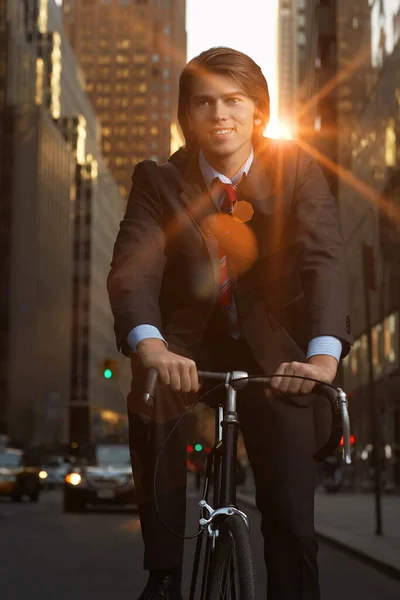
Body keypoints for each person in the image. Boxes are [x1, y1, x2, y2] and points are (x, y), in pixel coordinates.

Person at [107, 47, 353, 600]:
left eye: (233, 100)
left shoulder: (296, 171)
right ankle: (164, 576)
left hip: (278, 360)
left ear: (258, 113)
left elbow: (325, 261)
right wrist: (150, 347)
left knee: (292, 524)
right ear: (188, 116)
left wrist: (320, 359)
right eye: (205, 102)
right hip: (187, 353)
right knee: (153, 393)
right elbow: (132, 270)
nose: (220, 113)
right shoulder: (158, 181)